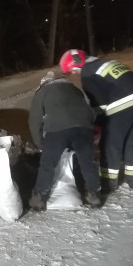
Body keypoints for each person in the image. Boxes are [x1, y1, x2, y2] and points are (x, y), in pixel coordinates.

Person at [59, 49, 133, 191]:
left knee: (110, 144)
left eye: (71, 71)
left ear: (77, 64)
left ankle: (108, 183)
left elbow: (99, 104)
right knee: (131, 140)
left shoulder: (88, 73)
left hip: (122, 103)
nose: (73, 74)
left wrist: (98, 125)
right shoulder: (105, 62)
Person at [27, 71, 102, 210]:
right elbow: (90, 111)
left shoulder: (43, 91)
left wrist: (40, 143)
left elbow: (34, 120)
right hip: (84, 128)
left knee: (47, 164)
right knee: (87, 163)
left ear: (43, 83)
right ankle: (94, 195)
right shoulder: (75, 89)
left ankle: (38, 198)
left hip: (57, 130)